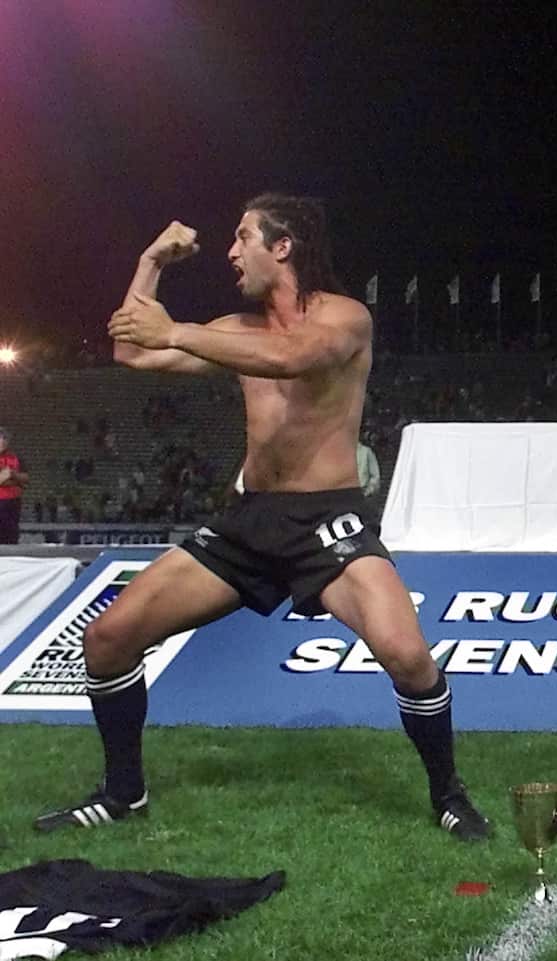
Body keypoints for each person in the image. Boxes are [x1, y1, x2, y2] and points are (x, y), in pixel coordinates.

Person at [35, 196, 490, 839]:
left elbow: (292, 357)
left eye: (242, 237)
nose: (229, 251)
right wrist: (149, 263)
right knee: (107, 639)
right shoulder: (235, 328)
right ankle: (123, 793)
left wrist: (175, 330)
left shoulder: (346, 317)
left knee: (408, 656)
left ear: (282, 247)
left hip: (327, 520)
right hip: (249, 520)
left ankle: (449, 795)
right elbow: (131, 354)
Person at [0, 427, 30, 544]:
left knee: (11, 534)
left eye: (4, 439)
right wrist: (16, 481)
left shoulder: (16, 457)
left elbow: (26, 479)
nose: (2, 442)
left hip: (13, 501)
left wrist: (12, 474)